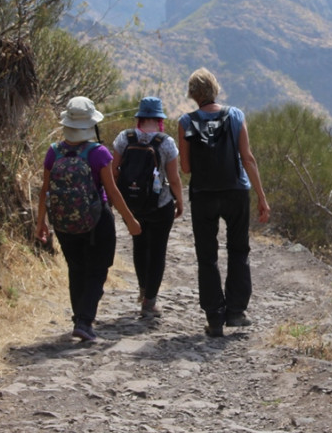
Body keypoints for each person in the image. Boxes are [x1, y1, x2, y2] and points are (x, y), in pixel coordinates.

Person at [36, 96, 142, 342]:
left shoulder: (53, 152)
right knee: (97, 269)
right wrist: (131, 221)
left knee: (76, 268)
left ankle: (79, 318)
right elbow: (112, 192)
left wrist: (41, 222)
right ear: (90, 124)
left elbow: (45, 190)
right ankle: (85, 320)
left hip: (62, 221)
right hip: (96, 221)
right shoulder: (98, 153)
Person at [178, 68, 270, 337]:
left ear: (193, 95)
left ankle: (214, 318)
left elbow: (185, 167)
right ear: (215, 88)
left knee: (207, 257)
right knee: (238, 250)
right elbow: (248, 159)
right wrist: (262, 198)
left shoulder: (186, 122)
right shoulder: (236, 115)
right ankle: (236, 312)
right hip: (236, 192)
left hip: (203, 194)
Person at [111, 96, 184, 317]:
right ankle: (150, 302)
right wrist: (179, 201)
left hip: (132, 205)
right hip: (160, 205)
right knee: (158, 250)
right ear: (159, 118)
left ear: (140, 117)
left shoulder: (124, 138)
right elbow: (174, 178)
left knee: (139, 245)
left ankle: (143, 289)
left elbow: (114, 171)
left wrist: (121, 197)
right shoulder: (167, 142)